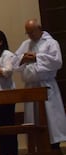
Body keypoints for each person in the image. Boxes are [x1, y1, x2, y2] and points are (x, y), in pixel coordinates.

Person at [14, 19, 66, 147]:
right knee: (33, 117)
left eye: (32, 32)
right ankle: (37, 146)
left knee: (50, 117)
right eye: (28, 33)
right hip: (31, 86)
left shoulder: (51, 43)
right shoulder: (26, 44)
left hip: (46, 85)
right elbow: (14, 62)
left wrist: (37, 57)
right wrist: (23, 59)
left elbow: (57, 61)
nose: (30, 35)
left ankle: (54, 147)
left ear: (39, 28)